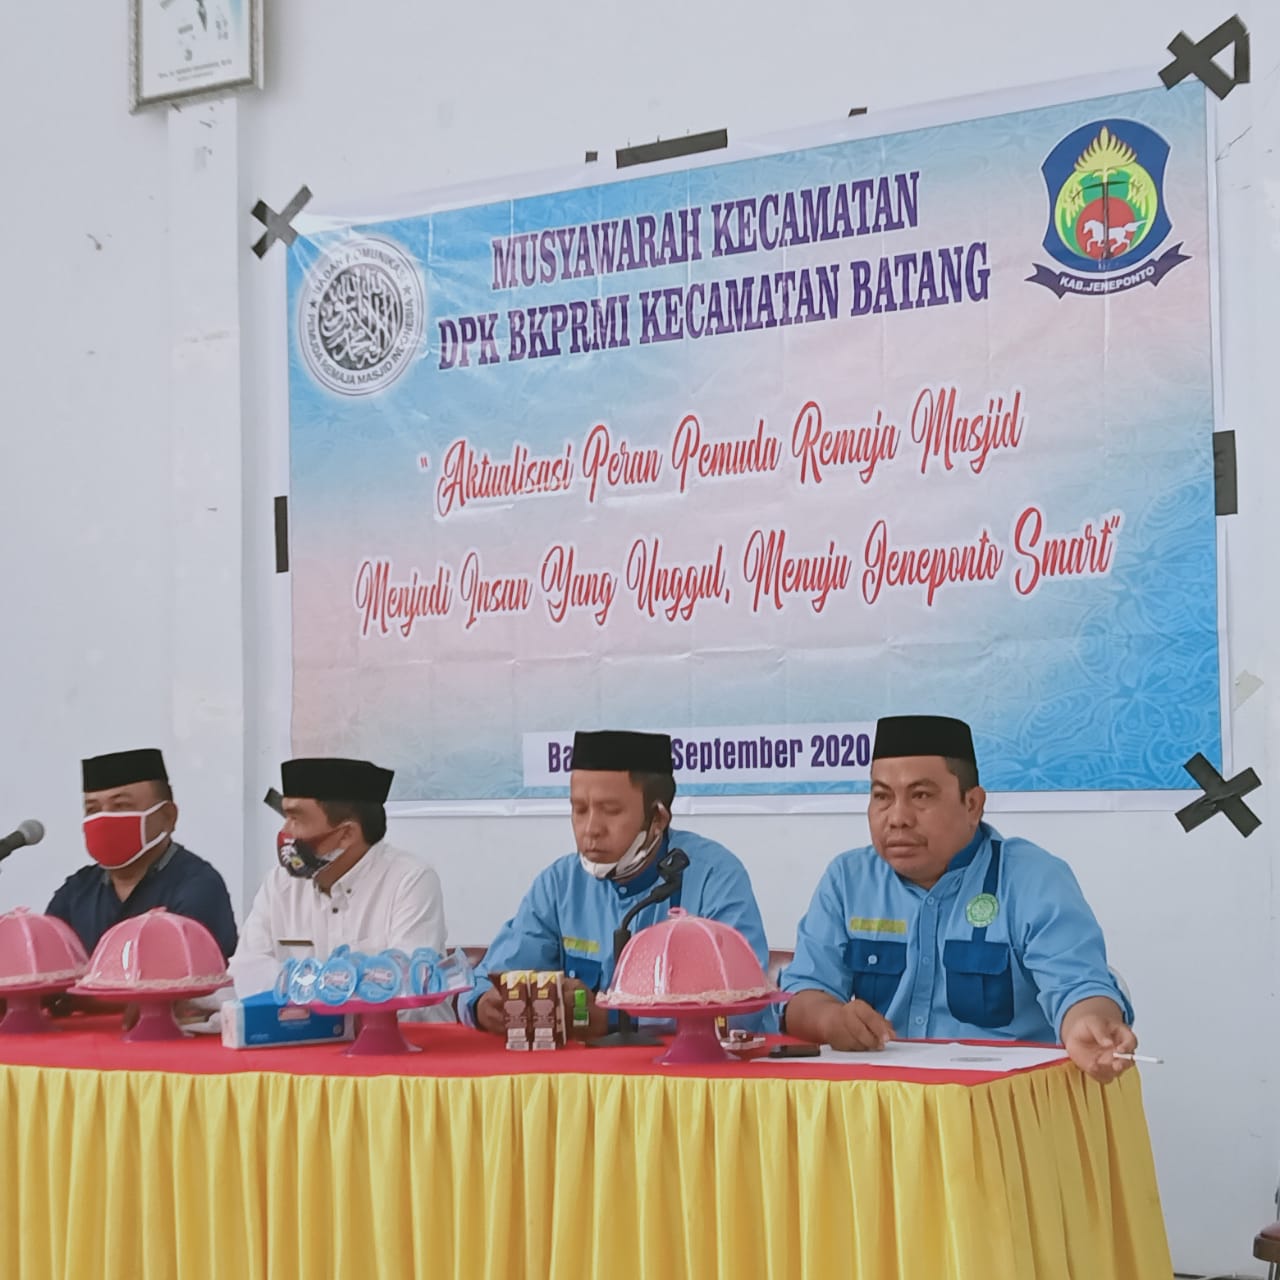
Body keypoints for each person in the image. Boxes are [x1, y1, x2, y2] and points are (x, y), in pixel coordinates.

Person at [781, 715, 1137, 1083]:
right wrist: (831, 1020)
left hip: (998, 1102)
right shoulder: (849, 880)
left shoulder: (1032, 879)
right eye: (882, 796)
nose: (898, 818)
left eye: (921, 796)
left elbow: (1078, 986)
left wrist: (1089, 1022)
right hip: (883, 1102)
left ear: (972, 804)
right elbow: (802, 992)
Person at [463, 730, 770, 1037]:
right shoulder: (559, 884)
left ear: (658, 818)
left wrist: (619, 1020)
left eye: (610, 811)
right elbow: (485, 980)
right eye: (579, 810)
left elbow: (745, 1006)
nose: (591, 829)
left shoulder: (714, 876)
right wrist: (483, 1007)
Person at [228, 757, 447, 1009]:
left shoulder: (410, 880)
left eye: (296, 819)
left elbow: (404, 986)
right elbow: (246, 973)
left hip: (404, 1032)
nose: (286, 831)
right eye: (285, 816)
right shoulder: (279, 884)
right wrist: (336, 984)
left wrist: (299, 984)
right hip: (303, 1031)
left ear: (346, 834)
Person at [46, 748, 238, 958]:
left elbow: (188, 970)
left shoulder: (197, 886)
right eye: (93, 809)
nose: (104, 819)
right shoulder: (77, 891)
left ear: (167, 816)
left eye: (121, 806)